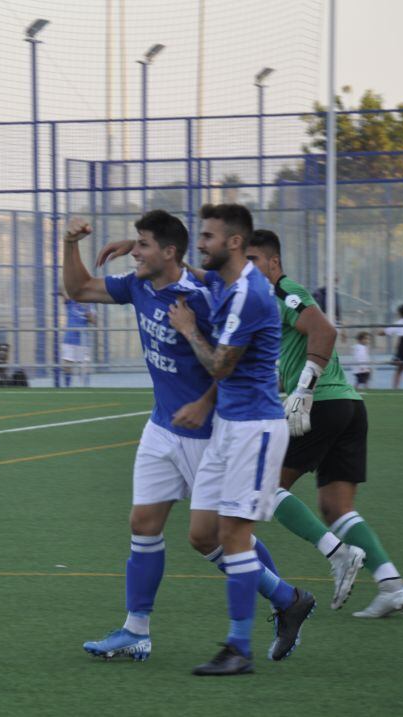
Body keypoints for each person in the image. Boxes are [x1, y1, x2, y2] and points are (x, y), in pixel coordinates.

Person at [66, 209, 306, 668]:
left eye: (143, 244)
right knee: (143, 524)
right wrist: (69, 243)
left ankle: (281, 601)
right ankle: (136, 631)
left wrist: (204, 403)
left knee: (218, 536)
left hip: (210, 430)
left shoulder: (203, 295)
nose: (134, 251)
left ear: (167, 252)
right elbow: (78, 289)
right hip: (162, 426)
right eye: (134, 243)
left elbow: (227, 363)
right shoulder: (138, 284)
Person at [167, 205, 315, 676]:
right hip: (229, 426)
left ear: (233, 242)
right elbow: (195, 273)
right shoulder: (226, 281)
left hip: (255, 429)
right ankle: (288, 598)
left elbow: (220, 365)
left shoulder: (250, 294)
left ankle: (238, 649)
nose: (201, 242)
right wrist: (149, 254)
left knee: (233, 534)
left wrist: (189, 330)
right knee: (201, 534)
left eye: (208, 236)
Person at [241, 229, 403, 618]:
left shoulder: (284, 290)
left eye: (253, 260)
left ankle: (338, 554)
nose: (247, 268)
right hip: (348, 405)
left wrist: (303, 389)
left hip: (322, 403)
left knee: (266, 486)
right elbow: (293, 356)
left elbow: (325, 330)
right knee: (336, 507)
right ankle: (392, 584)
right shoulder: (269, 301)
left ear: (273, 261)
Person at [60, 293, 96, 387]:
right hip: (69, 338)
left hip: (83, 340)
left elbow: (94, 321)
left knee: (84, 366)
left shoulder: (90, 303)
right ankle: (67, 387)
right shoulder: (71, 300)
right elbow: (62, 290)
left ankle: (86, 386)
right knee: (67, 365)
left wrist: (89, 315)